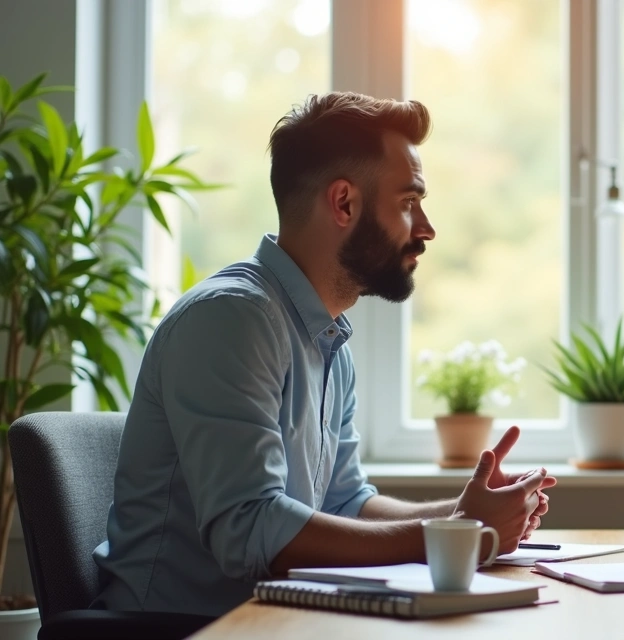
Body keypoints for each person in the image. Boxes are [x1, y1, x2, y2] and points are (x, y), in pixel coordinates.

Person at [93, 92, 556, 618]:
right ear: (343, 204)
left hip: (280, 621)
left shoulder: (326, 337)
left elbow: (344, 503)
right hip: (183, 628)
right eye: (408, 202)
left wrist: (468, 512)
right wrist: (457, 532)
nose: (426, 228)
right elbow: (251, 532)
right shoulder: (230, 319)